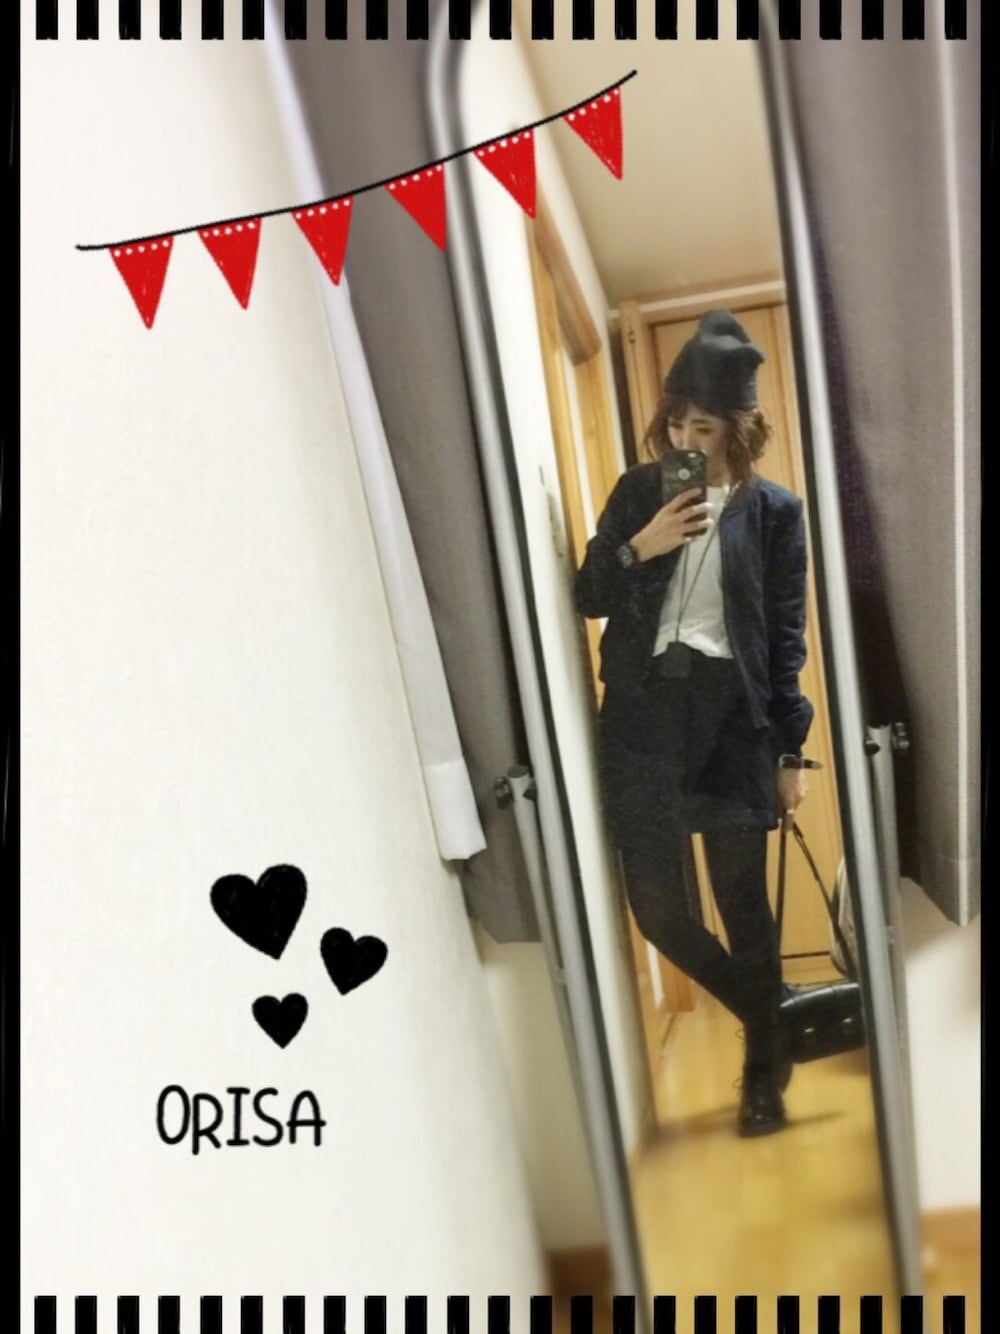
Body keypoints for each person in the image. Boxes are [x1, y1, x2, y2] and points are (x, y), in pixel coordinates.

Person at [575, 310, 813, 1137]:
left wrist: (790, 751)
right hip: (642, 718)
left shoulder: (775, 512)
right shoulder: (640, 493)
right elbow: (588, 595)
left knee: (744, 906)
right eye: (675, 423)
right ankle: (774, 1018)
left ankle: (763, 1079)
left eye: (702, 427)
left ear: (738, 429)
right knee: (658, 911)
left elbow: (785, 637)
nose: (683, 439)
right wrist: (640, 546)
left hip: (732, 720)